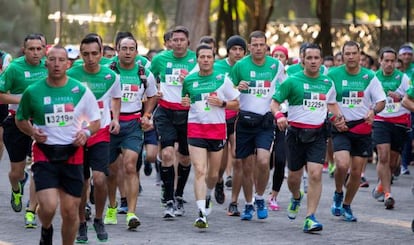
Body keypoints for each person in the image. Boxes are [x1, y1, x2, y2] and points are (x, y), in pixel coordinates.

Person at [15, 45, 101, 245]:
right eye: (52, 60)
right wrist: (32, 131)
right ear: (46, 64)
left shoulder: (80, 91)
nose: (56, 64)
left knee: (71, 211)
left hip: (73, 153)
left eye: (61, 60)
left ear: (68, 64)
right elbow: (20, 119)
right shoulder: (33, 91)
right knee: (48, 206)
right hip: (45, 152)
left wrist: (86, 132)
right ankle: (46, 229)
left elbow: (96, 121)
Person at [271, 43, 343, 233]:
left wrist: (338, 118)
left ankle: (310, 217)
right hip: (294, 133)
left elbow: (332, 105)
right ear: (303, 59)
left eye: (316, 58)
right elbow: (275, 103)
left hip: (318, 134)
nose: (313, 61)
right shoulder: (292, 81)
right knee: (294, 177)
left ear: (321, 60)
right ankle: (296, 197)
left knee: (315, 174)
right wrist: (279, 116)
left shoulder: (327, 83)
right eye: (309, 58)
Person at [67, 34, 121, 243]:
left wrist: (115, 118)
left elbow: (116, 98)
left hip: (101, 132)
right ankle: (81, 222)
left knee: (99, 179)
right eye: (86, 54)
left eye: (94, 54)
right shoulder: (71, 74)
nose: (90, 58)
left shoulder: (111, 76)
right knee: (82, 182)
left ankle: (98, 218)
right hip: (77, 135)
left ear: (101, 54)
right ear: (81, 55)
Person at [181, 44, 240, 228]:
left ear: (213, 59)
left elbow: (236, 103)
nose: (205, 60)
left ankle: (208, 195)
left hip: (216, 131)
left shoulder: (223, 79)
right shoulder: (189, 80)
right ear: (197, 60)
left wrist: (222, 103)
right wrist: (184, 102)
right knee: (200, 170)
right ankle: (200, 213)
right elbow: (186, 100)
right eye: (202, 57)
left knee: (213, 175)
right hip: (196, 129)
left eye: (209, 56)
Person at [328, 40, 385, 222]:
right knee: (342, 164)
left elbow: (381, 101)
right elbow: (326, 101)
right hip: (341, 126)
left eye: (354, 53)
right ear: (342, 56)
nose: (351, 57)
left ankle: (347, 205)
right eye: (347, 54)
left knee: (355, 172)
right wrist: (335, 118)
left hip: (362, 127)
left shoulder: (370, 77)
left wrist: (373, 111)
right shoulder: (333, 75)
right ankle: (338, 192)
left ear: (360, 55)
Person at [104, 36, 158, 230]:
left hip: (133, 124)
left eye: (131, 48)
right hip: (109, 124)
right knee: (111, 170)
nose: (127, 52)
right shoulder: (108, 72)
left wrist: (148, 114)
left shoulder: (144, 73)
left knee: (129, 166)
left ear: (136, 52)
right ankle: (111, 206)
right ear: (117, 50)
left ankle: (131, 213)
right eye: (124, 48)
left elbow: (152, 95)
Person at [230, 30, 285, 221]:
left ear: (266, 46)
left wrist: (280, 112)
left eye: (262, 45)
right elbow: (228, 92)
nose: (258, 48)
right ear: (249, 47)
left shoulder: (276, 65)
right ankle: (248, 204)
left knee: (263, 160)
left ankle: (260, 197)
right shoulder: (240, 66)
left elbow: (284, 88)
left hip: (265, 121)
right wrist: (237, 88)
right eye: (255, 45)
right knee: (246, 166)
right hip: (245, 121)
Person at [0, 34, 48, 229]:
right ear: (24, 49)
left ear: (45, 49)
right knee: (16, 173)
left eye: (39, 49)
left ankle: (31, 210)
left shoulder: (49, 66)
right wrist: (23, 101)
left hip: (41, 124)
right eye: (31, 49)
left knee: (38, 167)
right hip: (17, 123)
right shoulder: (14, 68)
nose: (36, 53)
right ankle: (16, 188)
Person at [151, 26, 197, 218]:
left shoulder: (196, 60)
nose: (178, 43)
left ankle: (178, 195)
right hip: (166, 111)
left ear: (188, 42)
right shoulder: (160, 59)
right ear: (170, 42)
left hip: (188, 114)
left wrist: (191, 83)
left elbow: (205, 83)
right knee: (168, 153)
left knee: (185, 157)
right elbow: (148, 79)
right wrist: (156, 90)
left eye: (181, 40)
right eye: (174, 40)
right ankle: (169, 200)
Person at [371, 47, 411, 209]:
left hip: (400, 121)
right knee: (383, 156)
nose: (389, 64)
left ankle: (382, 185)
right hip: (380, 120)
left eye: (392, 61)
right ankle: (388, 194)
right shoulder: (373, 78)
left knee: (393, 163)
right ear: (380, 61)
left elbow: (410, 97)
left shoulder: (403, 78)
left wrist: (399, 97)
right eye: (386, 61)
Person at [214, 35, 247, 215]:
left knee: (238, 158)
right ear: (228, 51)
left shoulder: (248, 67)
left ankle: (234, 202)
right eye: (234, 49)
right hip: (221, 116)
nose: (237, 52)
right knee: (221, 162)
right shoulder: (218, 67)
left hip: (241, 117)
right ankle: (219, 180)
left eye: (240, 49)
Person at [268, 45, 289, 211]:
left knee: (281, 159)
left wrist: (282, 111)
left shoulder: (287, 79)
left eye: (281, 56)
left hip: (282, 120)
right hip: (265, 119)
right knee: (263, 160)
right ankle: (258, 192)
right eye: (275, 55)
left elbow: (289, 97)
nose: (278, 58)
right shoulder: (266, 73)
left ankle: (274, 195)